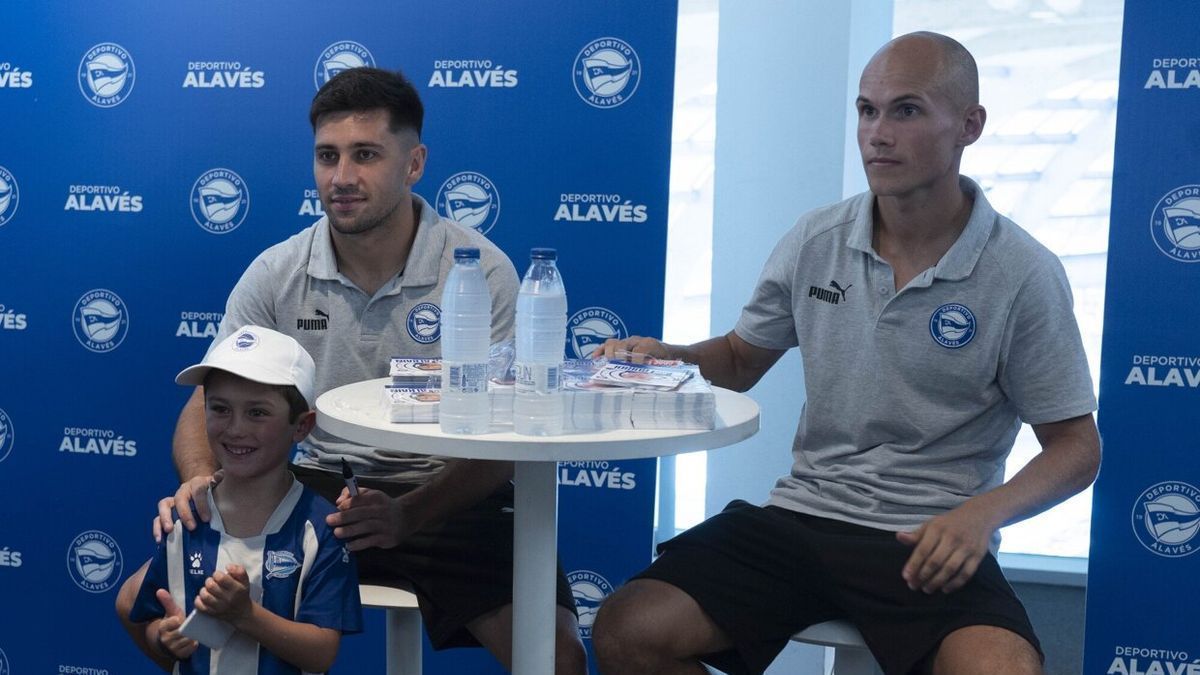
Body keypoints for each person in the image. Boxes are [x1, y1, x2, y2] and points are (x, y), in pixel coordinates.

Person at [590, 32, 1101, 675]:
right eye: (867, 110)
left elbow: (1077, 446)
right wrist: (673, 355)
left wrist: (980, 517)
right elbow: (742, 360)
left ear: (970, 126)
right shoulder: (817, 238)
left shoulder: (1022, 272)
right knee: (627, 631)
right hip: (804, 518)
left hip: (930, 536)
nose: (877, 134)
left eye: (906, 110)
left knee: (1004, 670)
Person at [116, 67, 587, 673]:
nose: (341, 178)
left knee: (557, 659)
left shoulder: (480, 272)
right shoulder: (278, 271)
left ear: (414, 163)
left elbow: (505, 442)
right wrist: (202, 483)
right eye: (327, 156)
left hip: (449, 496)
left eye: (365, 155)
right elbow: (204, 396)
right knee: (138, 602)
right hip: (317, 489)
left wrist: (410, 512)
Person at [129, 325, 362, 673]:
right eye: (220, 409)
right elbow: (151, 621)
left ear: (301, 426)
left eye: (257, 413)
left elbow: (322, 652)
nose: (235, 428)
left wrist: (245, 615)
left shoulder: (320, 528)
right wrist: (163, 637)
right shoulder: (186, 518)